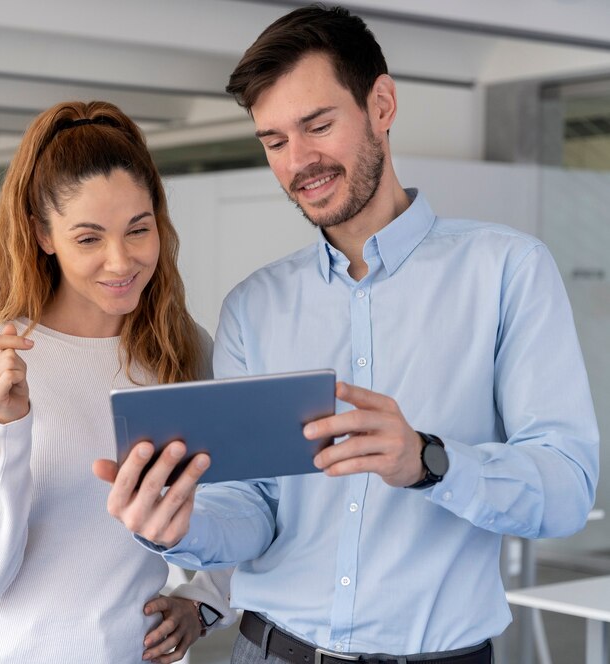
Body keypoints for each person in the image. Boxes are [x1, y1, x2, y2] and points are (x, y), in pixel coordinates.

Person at [97, 5, 600, 664]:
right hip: (270, 651)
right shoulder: (254, 306)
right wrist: (183, 527)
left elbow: (565, 489)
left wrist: (428, 461)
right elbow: (249, 509)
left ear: (382, 104)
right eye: (275, 141)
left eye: (319, 126)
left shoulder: (507, 271)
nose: (300, 162)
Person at [0, 100, 234, 664]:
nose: (121, 262)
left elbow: (238, 499)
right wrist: (10, 426)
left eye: (138, 230)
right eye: (89, 238)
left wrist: (203, 601)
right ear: (44, 236)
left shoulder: (182, 349)